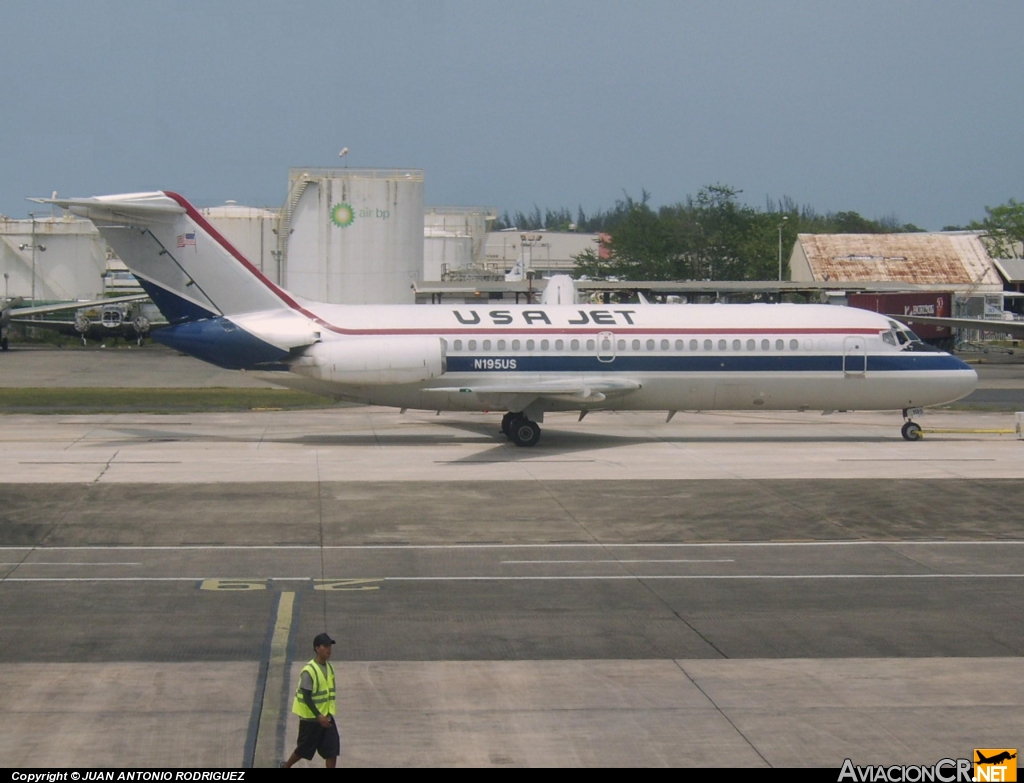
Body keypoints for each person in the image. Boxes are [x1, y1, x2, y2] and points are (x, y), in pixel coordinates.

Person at [282, 633, 339, 768]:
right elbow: (306, 696)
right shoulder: (309, 670)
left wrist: (325, 715)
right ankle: (285, 766)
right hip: (311, 719)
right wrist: (318, 715)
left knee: (332, 750)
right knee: (303, 749)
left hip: (327, 717)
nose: (329, 649)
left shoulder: (329, 667)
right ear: (317, 648)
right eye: (325, 646)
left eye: (330, 646)